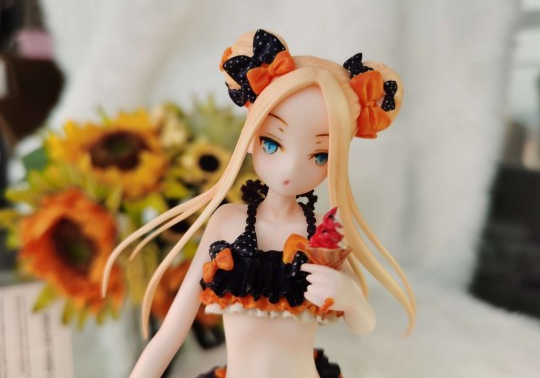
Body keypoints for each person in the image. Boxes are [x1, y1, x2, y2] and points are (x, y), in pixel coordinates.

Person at [103, 29, 416, 378]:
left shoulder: (321, 234)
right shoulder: (227, 222)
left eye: (320, 155)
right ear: (252, 138)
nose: (290, 169)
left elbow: (364, 324)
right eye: (271, 143)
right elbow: (172, 331)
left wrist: (351, 299)